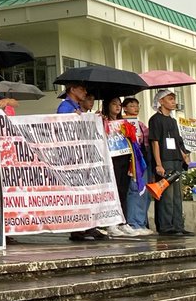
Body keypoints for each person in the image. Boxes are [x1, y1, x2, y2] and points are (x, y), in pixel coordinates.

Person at [58, 83, 105, 242]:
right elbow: (63, 129)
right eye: (82, 89)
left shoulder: (77, 107)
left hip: (84, 157)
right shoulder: (65, 107)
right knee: (78, 193)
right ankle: (79, 229)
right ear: (72, 90)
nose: (85, 92)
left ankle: (89, 226)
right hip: (73, 158)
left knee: (88, 192)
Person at [149, 88, 192, 236]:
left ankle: (178, 225)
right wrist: (158, 164)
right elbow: (155, 142)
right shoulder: (155, 119)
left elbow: (177, 141)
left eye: (174, 99)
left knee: (177, 196)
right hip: (165, 160)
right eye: (170, 99)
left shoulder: (173, 121)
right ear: (161, 101)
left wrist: (184, 155)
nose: (173, 102)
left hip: (176, 160)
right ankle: (166, 226)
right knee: (166, 194)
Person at [99, 98, 138, 238]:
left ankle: (123, 221)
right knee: (113, 191)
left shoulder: (123, 122)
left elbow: (131, 138)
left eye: (119, 104)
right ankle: (111, 223)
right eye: (114, 104)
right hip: (111, 159)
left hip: (124, 158)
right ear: (107, 105)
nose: (117, 107)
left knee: (123, 190)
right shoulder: (102, 121)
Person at [121, 97, 154, 235]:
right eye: (132, 105)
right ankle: (133, 222)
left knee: (144, 192)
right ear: (125, 108)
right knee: (134, 191)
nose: (135, 108)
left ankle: (140, 222)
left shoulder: (141, 125)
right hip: (130, 161)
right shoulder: (121, 123)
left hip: (143, 161)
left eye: (137, 105)